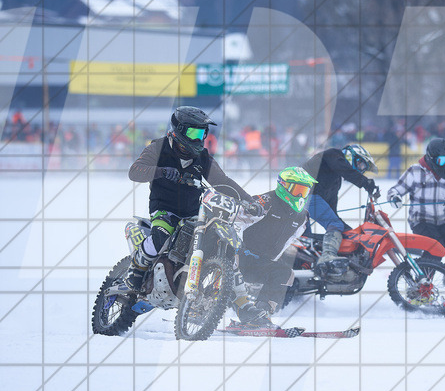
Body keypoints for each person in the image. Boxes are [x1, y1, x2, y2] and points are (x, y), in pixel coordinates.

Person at [109, 106, 254, 296]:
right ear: (179, 129)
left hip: (194, 213)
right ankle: (135, 272)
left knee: (215, 239)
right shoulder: (157, 148)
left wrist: (249, 201)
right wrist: (161, 172)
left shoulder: (202, 157)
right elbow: (134, 171)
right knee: (162, 234)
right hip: (164, 208)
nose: (198, 138)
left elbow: (223, 182)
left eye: (201, 133)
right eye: (193, 132)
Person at [387, 138, 445, 307]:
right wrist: (395, 198)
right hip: (421, 221)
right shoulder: (415, 172)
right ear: (431, 158)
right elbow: (394, 190)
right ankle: (423, 292)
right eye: (443, 160)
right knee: (435, 249)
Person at [229, 167, 318, 328]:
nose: (299, 195)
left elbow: (287, 242)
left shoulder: (302, 217)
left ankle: (261, 314)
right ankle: (201, 307)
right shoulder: (265, 201)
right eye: (296, 189)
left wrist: (271, 261)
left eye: (304, 191)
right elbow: (237, 220)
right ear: (283, 186)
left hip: (259, 262)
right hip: (238, 255)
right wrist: (236, 248)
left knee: (285, 273)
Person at [302, 143, 379, 277]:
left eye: (363, 169)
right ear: (351, 155)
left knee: (306, 239)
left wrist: (348, 232)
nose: (360, 170)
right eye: (360, 165)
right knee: (334, 225)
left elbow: (332, 211)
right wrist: (365, 182)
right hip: (302, 196)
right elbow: (344, 168)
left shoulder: (335, 181)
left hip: (305, 201)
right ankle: (328, 256)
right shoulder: (333, 154)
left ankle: (304, 270)